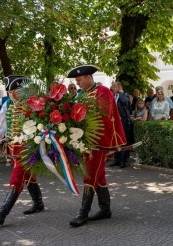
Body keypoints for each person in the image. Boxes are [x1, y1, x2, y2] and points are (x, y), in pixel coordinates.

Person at [67, 65, 126, 227]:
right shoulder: (81, 94)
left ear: (88, 77)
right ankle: (105, 209)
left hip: (98, 142)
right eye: (76, 81)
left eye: (79, 80)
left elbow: (106, 117)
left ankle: (83, 213)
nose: (78, 83)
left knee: (90, 175)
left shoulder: (102, 92)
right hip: (85, 142)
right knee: (98, 176)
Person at [0, 76, 45, 226]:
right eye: (9, 92)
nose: (11, 95)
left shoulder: (33, 102)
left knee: (17, 177)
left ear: (21, 90)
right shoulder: (8, 104)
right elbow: (0, 125)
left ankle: (2, 213)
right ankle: (38, 203)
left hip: (29, 147)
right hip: (13, 147)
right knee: (27, 174)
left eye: (14, 91)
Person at [110, 82, 133, 168]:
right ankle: (117, 159)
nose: (112, 88)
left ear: (119, 87)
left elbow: (125, 102)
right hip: (115, 122)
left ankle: (124, 160)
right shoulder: (114, 96)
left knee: (124, 141)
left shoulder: (125, 95)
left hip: (124, 122)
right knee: (117, 141)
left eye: (114, 87)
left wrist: (120, 92)